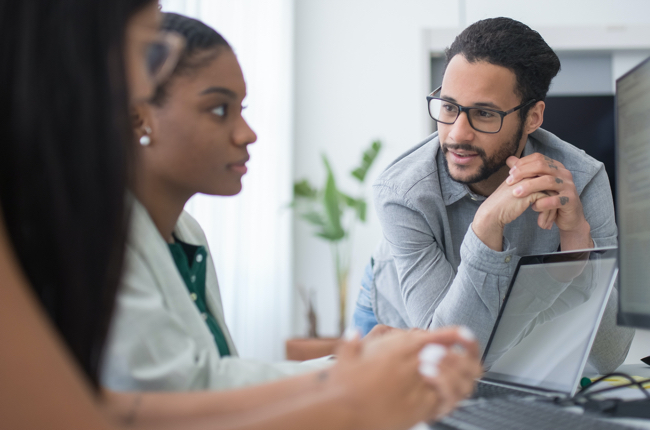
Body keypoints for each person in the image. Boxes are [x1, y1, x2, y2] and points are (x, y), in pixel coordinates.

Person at [0, 3, 481, 429]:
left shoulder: (184, 233)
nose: (248, 134)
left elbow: (143, 402)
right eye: (218, 109)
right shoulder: (86, 233)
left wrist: (346, 378)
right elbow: (172, 394)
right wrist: (346, 394)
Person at [352, 17, 634, 374]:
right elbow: (445, 359)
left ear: (533, 116)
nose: (457, 134)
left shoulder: (582, 181)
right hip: (391, 320)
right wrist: (485, 226)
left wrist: (580, 249)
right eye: (449, 107)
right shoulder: (403, 194)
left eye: (484, 114)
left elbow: (609, 356)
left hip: (504, 335)